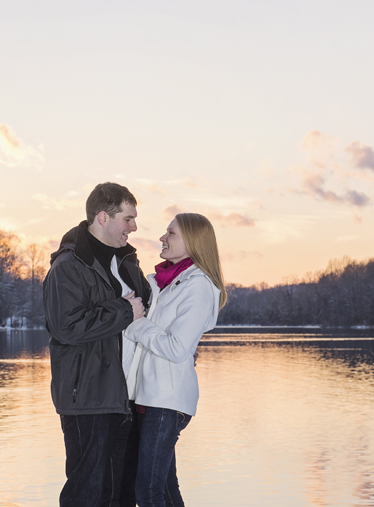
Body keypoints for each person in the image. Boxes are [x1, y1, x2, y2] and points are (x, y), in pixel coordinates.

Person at [43, 182, 151, 507]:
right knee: (87, 495)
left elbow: (148, 312)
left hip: (127, 397)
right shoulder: (68, 267)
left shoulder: (128, 264)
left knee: (119, 496)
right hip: (88, 398)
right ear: (103, 217)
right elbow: (67, 327)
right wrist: (123, 310)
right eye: (128, 218)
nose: (134, 226)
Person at [124, 213, 227, 507]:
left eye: (171, 233)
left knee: (148, 491)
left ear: (192, 242)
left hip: (167, 402)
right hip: (147, 397)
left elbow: (177, 348)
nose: (162, 238)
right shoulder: (161, 282)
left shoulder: (199, 286)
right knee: (165, 490)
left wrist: (136, 322)